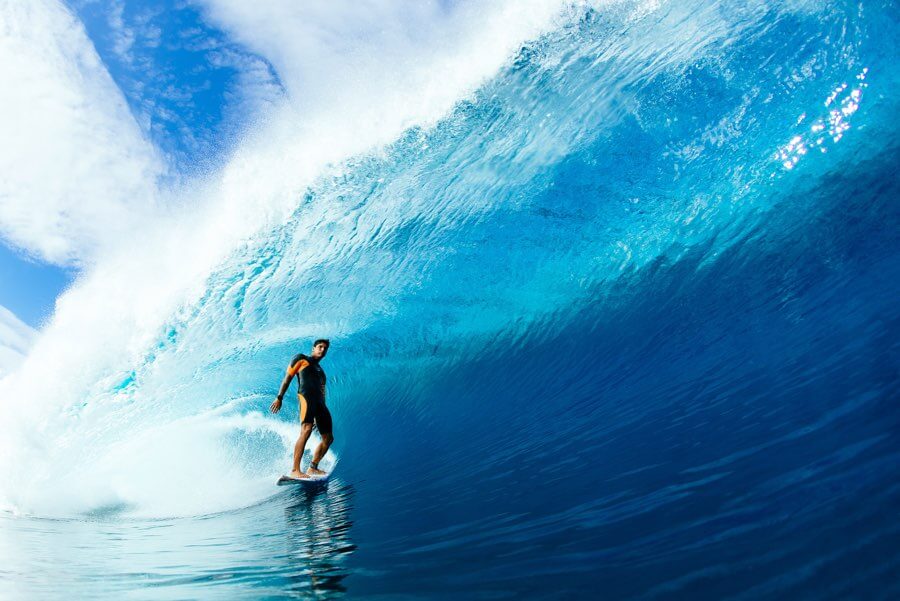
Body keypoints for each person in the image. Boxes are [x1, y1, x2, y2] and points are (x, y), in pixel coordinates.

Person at [270, 339, 333, 479]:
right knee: (306, 430)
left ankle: (313, 468)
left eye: (325, 348)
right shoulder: (301, 359)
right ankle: (295, 470)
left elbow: (322, 392)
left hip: (320, 404)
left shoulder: (321, 373)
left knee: (328, 438)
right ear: (313, 348)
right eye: (320, 347)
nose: (322, 350)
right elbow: (287, 378)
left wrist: (318, 415)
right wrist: (279, 397)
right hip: (306, 399)